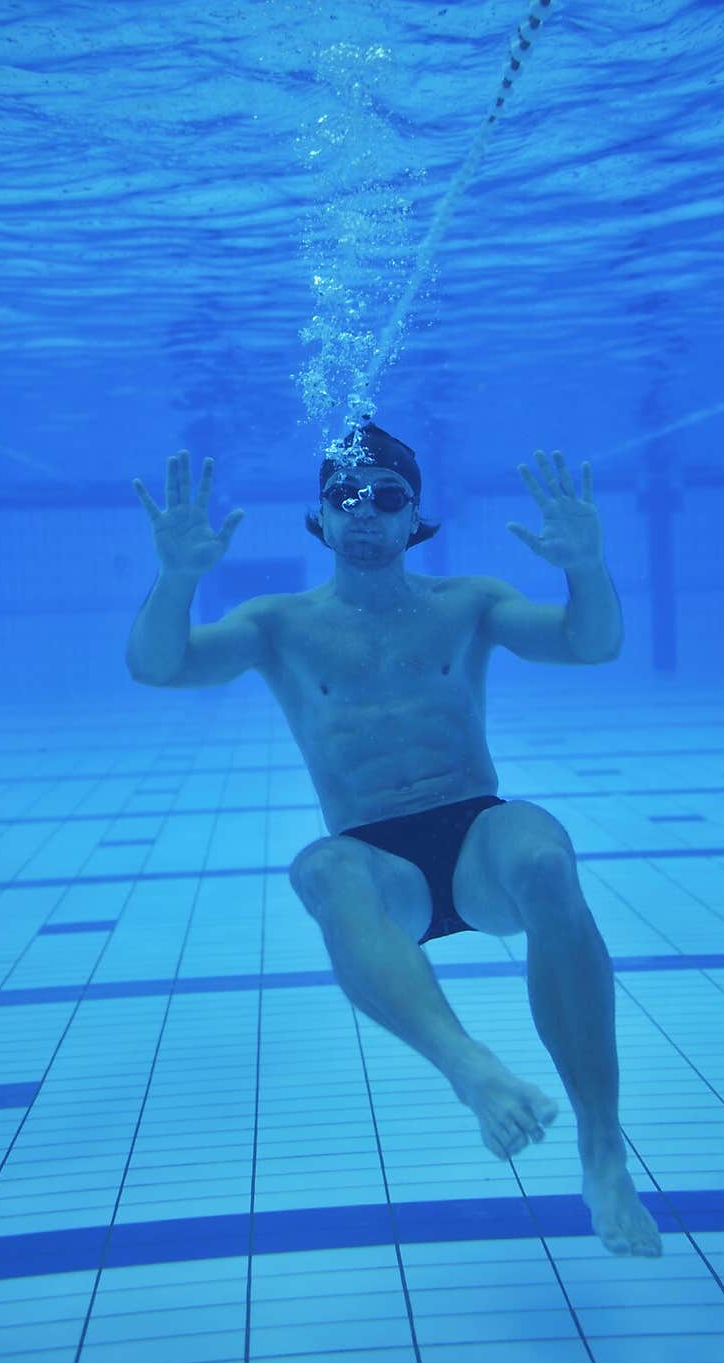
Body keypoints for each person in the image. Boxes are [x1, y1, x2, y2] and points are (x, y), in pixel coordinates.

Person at [127, 423, 662, 1258]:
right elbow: (162, 666)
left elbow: (590, 645)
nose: (365, 512)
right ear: (320, 517)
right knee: (321, 868)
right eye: (346, 497)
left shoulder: (470, 604)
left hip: (477, 836)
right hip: (380, 865)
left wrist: (586, 566)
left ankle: (602, 1142)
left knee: (545, 854)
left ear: (415, 514)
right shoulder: (278, 624)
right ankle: (471, 1068)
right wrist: (175, 578)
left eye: (386, 496)